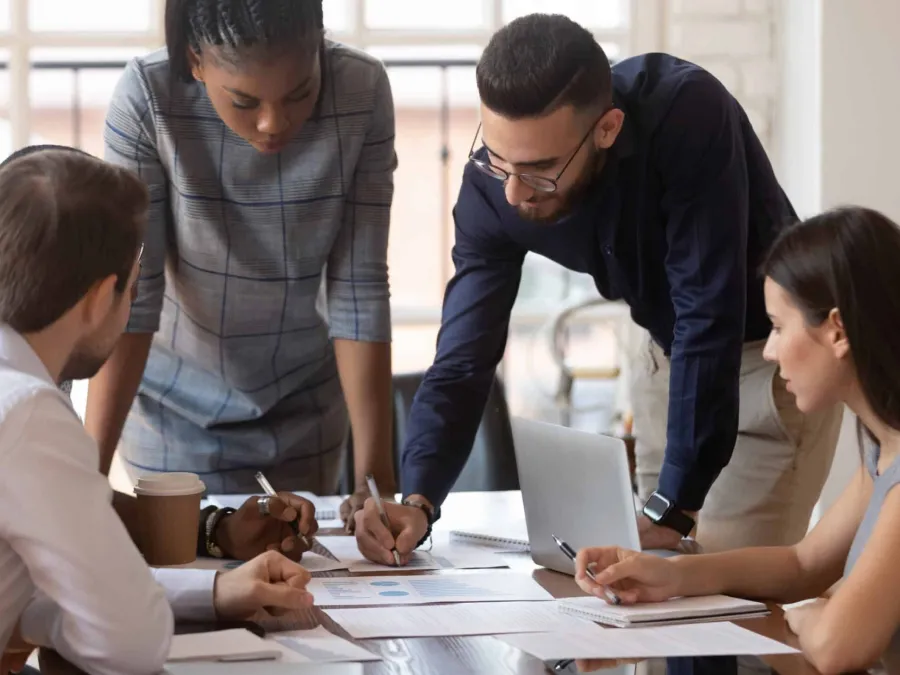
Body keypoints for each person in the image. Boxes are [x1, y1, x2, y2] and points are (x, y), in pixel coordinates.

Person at [354, 13, 842, 564]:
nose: (514, 193)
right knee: (652, 592)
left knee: (725, 593)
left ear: (606, 129)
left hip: (773, 366)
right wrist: (418, 499)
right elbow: (463, 357)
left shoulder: (687, 114)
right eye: (498, 157)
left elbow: (708, 313)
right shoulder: (492, 186)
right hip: (668, 359)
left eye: (540, 170)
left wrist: (673, 506)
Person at [0, 148, 315, 675]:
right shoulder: (29, 412)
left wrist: (212, 589)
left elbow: (49, 584)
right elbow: (130, 643)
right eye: (136, 283)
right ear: (102, 298)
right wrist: (50, 620)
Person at [90, 0, 397, 524]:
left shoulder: (361, 91)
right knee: (192, 574)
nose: (273, 123)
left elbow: (358, 287)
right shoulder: (147, 98)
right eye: (242, 100)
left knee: (298, 579)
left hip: (306, 404)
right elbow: (135, 295)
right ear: (195, 61)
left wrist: (377, 483)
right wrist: (87, 476)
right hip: (175, 411)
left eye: (301, 92)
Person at [574, 206, 900, 675]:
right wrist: (669, 576)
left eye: (779, 327)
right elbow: (804, 566)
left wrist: (815, 616)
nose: (768, 350)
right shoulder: (880, 442)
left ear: (837, 330)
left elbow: (835, 648)